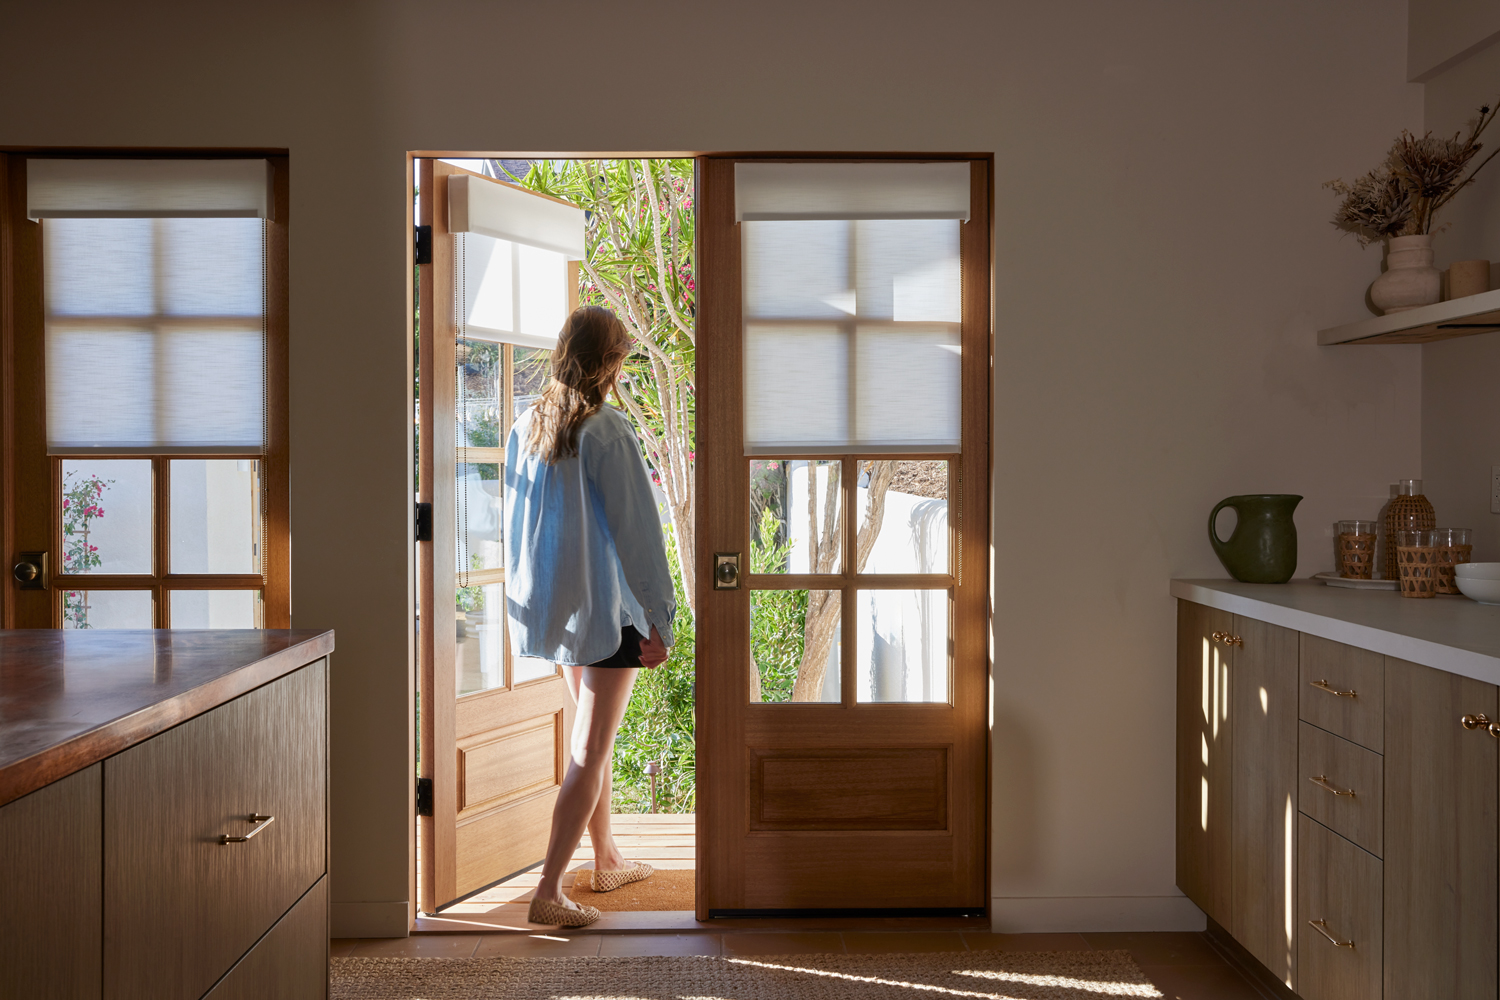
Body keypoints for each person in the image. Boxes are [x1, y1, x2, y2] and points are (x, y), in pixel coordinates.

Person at [504, 305, 676, 928]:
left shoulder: (528, 424)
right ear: (609, 360)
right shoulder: (606, 429)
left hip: (559, 611)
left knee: (592, 747)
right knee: (588, 749)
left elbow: (516, 524)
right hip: (607, 614)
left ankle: (606, 858)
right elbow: (638, 534)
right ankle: (548, 889)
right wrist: (661, 618)